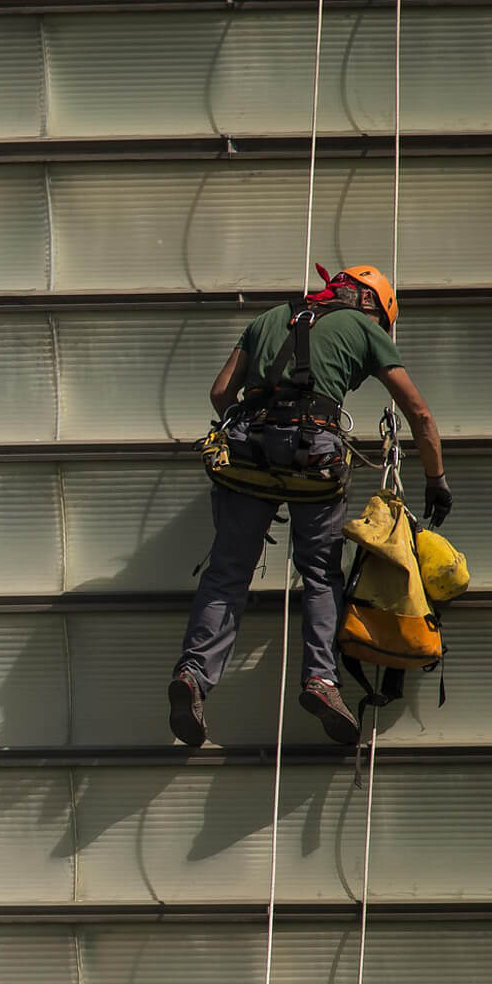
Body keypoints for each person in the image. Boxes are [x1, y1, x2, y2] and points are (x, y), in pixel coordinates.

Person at [170, 264, 449, 746]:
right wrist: (436, 480)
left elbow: (221, 393)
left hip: (247, 454)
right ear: (369, 302)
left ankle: (193, 676)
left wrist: (260, 439)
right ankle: (320, 680)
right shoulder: (363, 327)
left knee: (227, 572)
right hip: (314, 460)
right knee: (320, 573)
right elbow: (418, 412)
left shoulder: (268, 317)